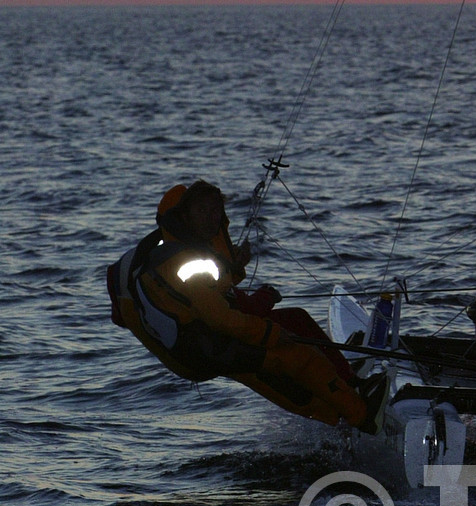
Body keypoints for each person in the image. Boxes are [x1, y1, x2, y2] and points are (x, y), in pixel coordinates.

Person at [107, 181, 383, 433]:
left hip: (211, 333)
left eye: (217, 210)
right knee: (293, 356)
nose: (212, 217)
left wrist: (235, 271)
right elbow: (221, 318)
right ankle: (361, 417)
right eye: (202, 210)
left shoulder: (179, 250)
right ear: (183, 216)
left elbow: (210, 295)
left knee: (296, 320)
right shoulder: (183, 262)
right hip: (207, 348)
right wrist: (270, 333)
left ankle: (349, 384)